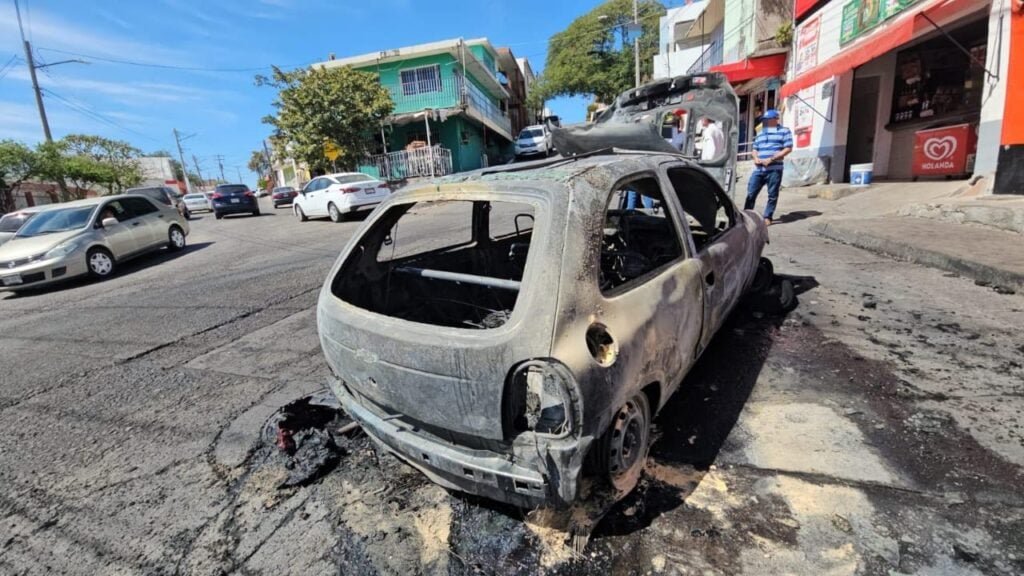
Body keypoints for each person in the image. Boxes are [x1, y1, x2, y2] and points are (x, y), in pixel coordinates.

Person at [744, 109, 793, 225]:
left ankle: (768, 216)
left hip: (774, 169)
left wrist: (771, 159)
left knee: (772, 194)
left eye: (768, 120)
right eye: (764, 120)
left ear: (776, 120)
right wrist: (755, 158)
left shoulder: (784, 131)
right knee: (751, 193)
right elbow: (755, 149)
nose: (766, 122)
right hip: (759, 169)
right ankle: (746, 215)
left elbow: (788, 148)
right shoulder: (760, 132)